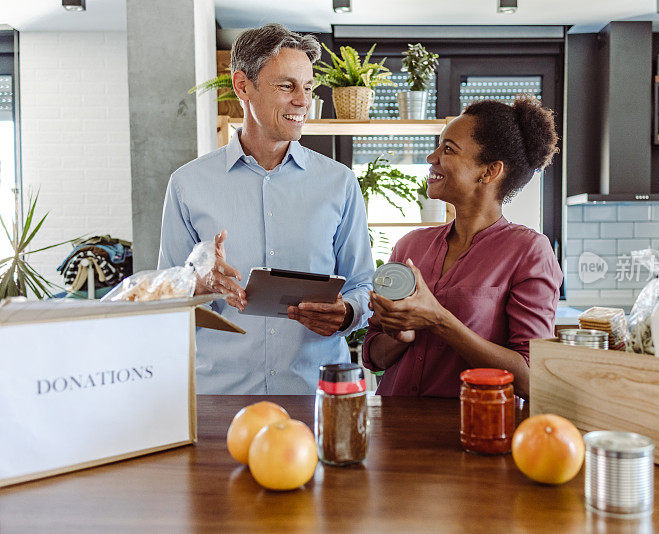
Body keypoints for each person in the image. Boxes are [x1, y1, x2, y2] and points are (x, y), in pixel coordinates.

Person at [158, 24, 373, 394]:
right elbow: (164, 293)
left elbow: (362, 284)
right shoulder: (187, 184)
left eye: (307, 87)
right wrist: (199, 285)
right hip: (219, 396)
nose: (303, 101)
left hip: (316, 395)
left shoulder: (339, 183)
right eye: (287, 86)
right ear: (243, 86)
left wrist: (347, 313)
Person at [362, 96, 562, 399]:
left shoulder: (529, 252)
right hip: (389, 431)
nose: (432, 157)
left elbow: (531, 381)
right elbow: (374, 357)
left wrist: (439, 321)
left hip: (473, 432)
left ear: (490, 171)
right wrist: (400, 336)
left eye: (448, 149)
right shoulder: (410, 246)